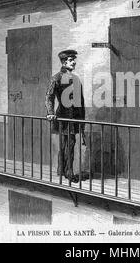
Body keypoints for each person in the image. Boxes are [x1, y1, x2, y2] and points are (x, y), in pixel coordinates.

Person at [45, 50, 85, 183]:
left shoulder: (76, 79)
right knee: (67, 144)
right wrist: (50, 112)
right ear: (63, 62)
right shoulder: (56, 78)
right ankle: (68, 172)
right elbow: (49, 97)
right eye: (70, 59)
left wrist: (82, 123)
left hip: (74, 119)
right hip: (62, 117)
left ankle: (64, 170)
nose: (74, 62)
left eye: (74, 59)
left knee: (69, 144)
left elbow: (80, 103)